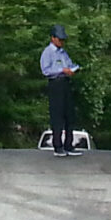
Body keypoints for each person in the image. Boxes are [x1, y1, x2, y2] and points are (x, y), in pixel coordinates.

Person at [40, 25, 81, 156]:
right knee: (57, 115)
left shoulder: (63, 53)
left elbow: (69, 64)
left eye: (63, 40)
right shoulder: (48, 52)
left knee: (69, 114)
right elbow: (45, 70)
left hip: (66, 83)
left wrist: (72, 70)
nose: (61, 42)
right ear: (53, 38)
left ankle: (69, 145)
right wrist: (61, 70)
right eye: (59, 39)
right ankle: (58, 146)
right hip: (55, 84)